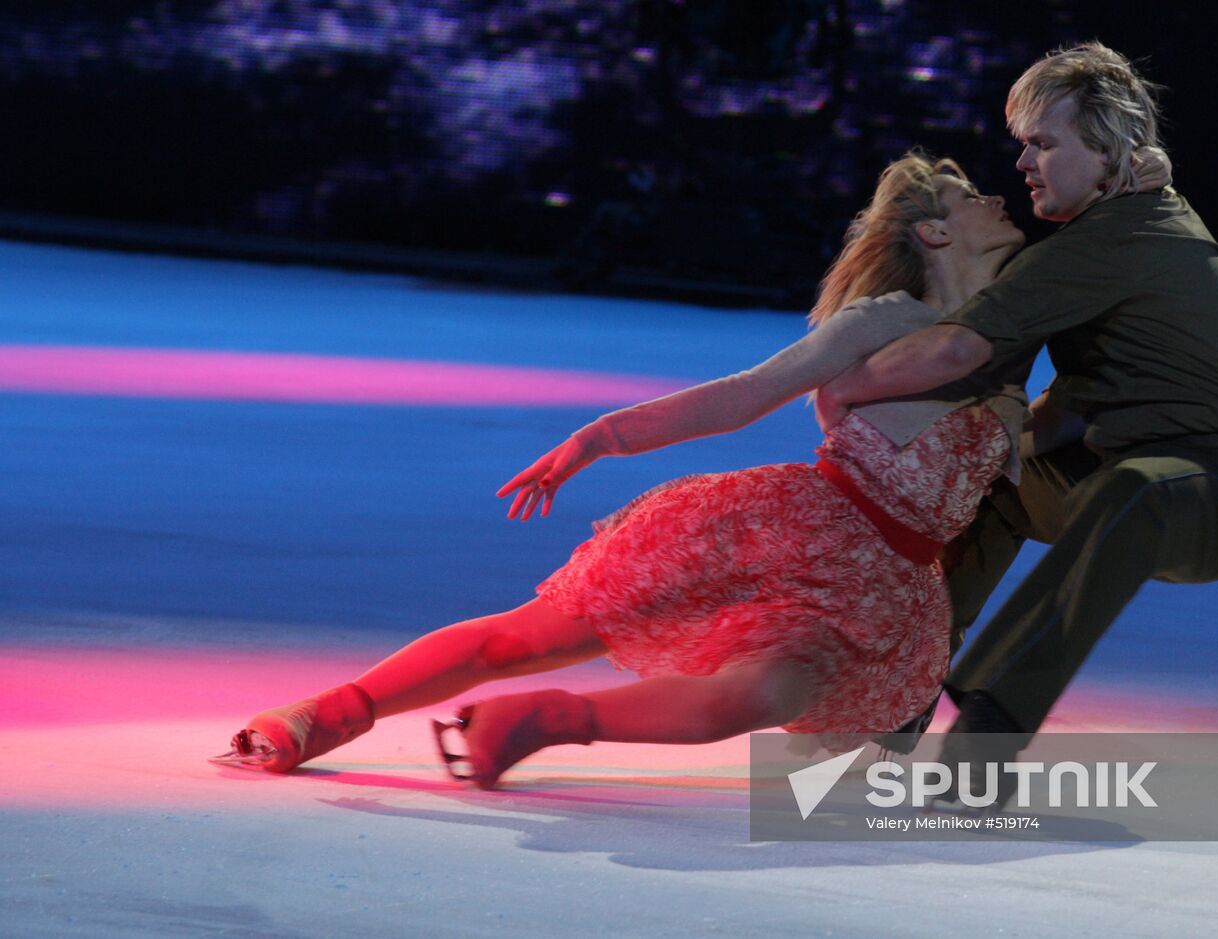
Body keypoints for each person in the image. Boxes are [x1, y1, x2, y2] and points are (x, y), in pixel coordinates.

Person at [212, 153, 1037, 789]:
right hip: (791, 532)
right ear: (933, 233)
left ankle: (541, 720)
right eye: (973, 199)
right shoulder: (891, 319)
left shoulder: (1010, 363)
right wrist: (603, 436)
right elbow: (747, 393)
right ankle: (333, 713)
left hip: (883, 586)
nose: (999, 198)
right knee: (529, 635)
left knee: (750, 703)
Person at [818, 43, 1218, 801]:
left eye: (1044, 143)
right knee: (990, 492)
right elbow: (1063, 412)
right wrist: (973, 464)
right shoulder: (1123, 217)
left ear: (1104, 148)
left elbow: (956, 346)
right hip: (1120, 472)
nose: (1025, 163)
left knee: (1131, 490)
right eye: (1023, 144)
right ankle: (891, 714)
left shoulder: (1116, 237)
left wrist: (840, 383)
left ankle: (980, 752)